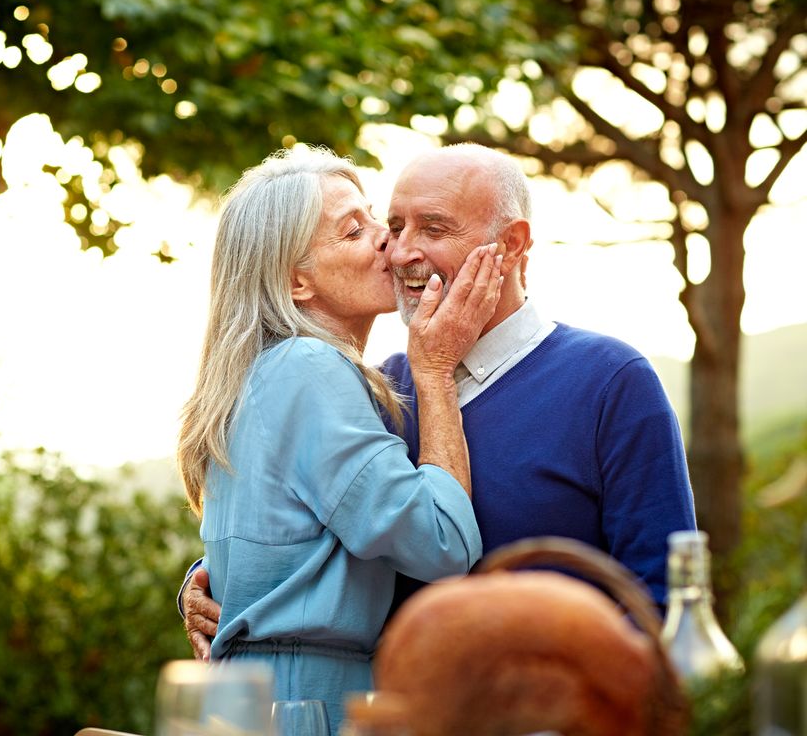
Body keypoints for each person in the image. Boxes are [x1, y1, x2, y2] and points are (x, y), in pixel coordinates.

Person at [182, 143, 697, 659]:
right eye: (397, 225)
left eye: (433, 228)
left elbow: (661, 599)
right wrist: (205, 582)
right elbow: (305, 527)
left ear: (512, 244)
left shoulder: (611, 381)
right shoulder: (379, 391)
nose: (401, 250)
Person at [176, 145, 503, 731]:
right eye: (354, 231)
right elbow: (442, 543)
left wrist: (201, 582)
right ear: (296, 282)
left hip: (242, 704)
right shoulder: (309, 368)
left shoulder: (261, 375)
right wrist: (434, 371)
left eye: (375, 217)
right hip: (305, 706)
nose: (388, 239)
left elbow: (276, 538)